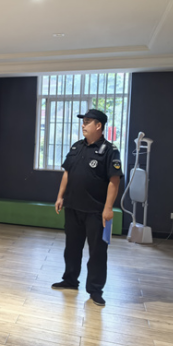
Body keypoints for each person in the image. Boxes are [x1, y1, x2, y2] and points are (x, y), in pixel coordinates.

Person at [53, 109, 123, 307]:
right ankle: (70, 280)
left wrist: (108, 208)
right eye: (83, 122)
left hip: (96, 211)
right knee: (72, 248)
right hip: (73, 207)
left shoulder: (110, 150)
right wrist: (60, 196)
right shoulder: (77, 146)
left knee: (97, 252)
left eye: (87, 122)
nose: (83, 125)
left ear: (98, 126)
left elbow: (114, 181)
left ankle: (95, 290)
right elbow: (67, 173)